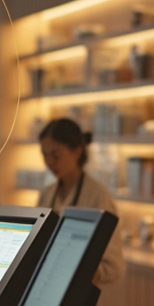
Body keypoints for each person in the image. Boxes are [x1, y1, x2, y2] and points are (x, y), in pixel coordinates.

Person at [37, 118, 124, 287]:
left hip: (75, 295)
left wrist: (83, 274)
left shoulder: (98, 197)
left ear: (77, 151)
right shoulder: (46, 194)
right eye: (45, 155)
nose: (49, 162)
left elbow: (115, 267)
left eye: (55, 155)